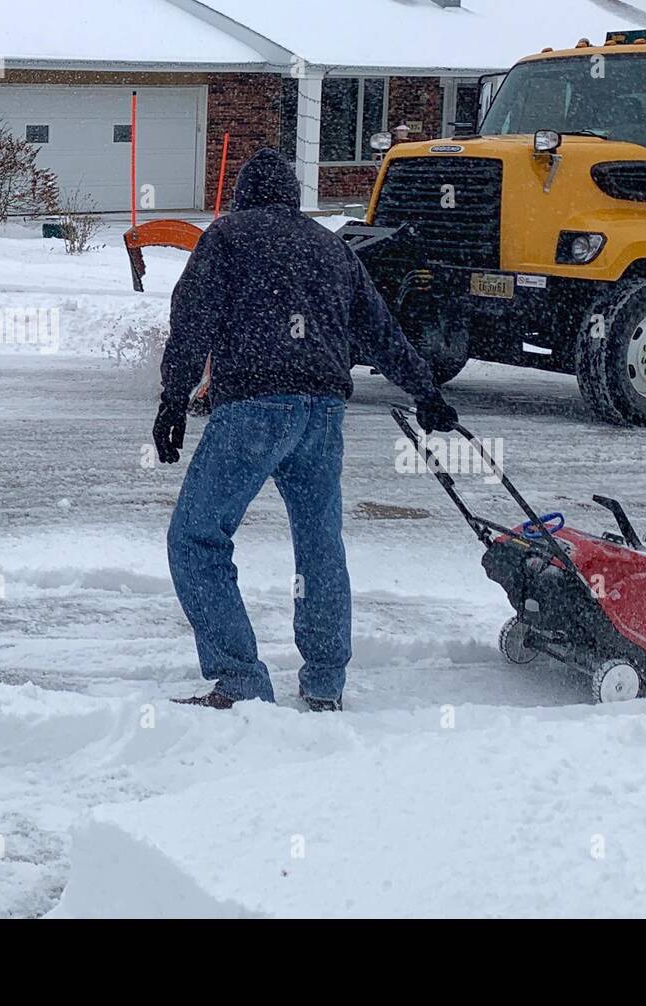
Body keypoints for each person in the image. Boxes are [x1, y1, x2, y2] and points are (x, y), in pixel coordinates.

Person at [155, 149, 457, 712]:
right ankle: (323, 683)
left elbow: (191, 318)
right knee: (319, 546)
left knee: (196, 540)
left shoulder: (226, 238)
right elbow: (380, 329)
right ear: (292, 197)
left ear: (243, 195)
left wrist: (174, 399)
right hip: (322, 416)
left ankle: (240, 679)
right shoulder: (331, 248)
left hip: (252, 409)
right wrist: (426, 392)